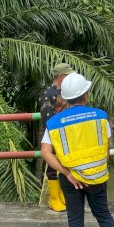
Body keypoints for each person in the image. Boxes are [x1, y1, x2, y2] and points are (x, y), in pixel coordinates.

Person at [41, 73, 114, 227]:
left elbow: (46, 152)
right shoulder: (100, 117)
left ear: (65, 98)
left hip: (70, 178)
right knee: (103, 215)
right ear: (85, 95)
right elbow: (105, 149)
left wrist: (68, 173)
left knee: (75, 220)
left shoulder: (54, 123)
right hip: (97, 176)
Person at [39, 63, 75, 212]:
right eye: (67, 76)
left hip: (67, 135)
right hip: (53, 135)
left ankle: (62, 195)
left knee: (65, 165)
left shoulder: (66, 93)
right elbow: (47, 119)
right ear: (60, 76)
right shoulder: (48, 93)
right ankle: (54, 199)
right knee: (53, 167)